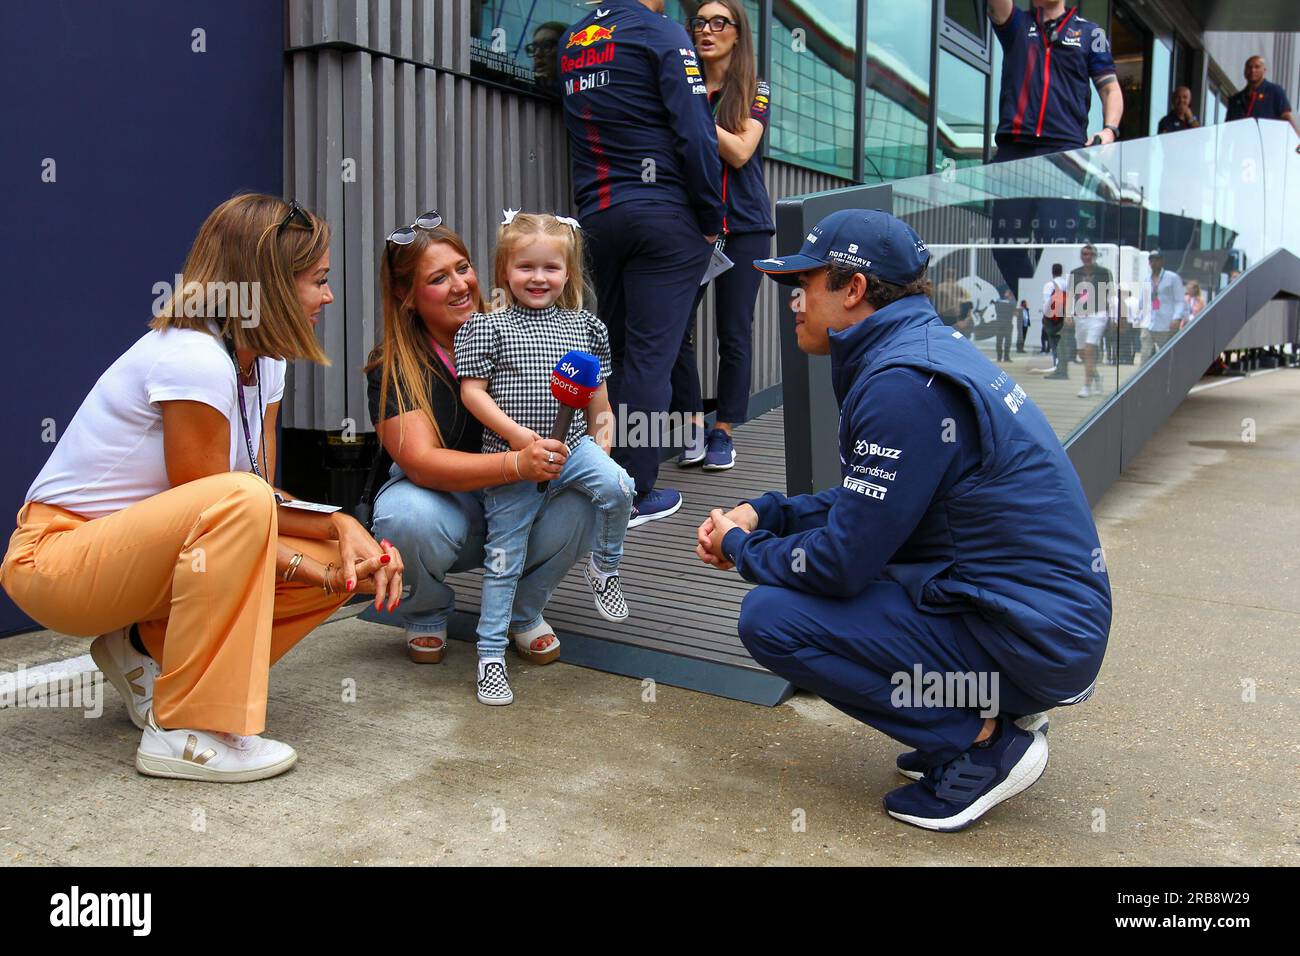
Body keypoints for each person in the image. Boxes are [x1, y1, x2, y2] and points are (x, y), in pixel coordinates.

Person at [696, 209, 1111, 832]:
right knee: (858, 576)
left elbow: (840, 564)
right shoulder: (921, 351)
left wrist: (742, 548)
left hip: (1032, 640)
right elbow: (879, 504)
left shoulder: (900, 383)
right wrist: (771, 512)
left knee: (773, 619)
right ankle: (979, 711)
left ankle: (980, 742)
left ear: (853, 289)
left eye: (803, 285)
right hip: (1038, 624)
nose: (794, 304)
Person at [0, 194, 404, 783]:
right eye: (318, 281)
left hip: (137, 562)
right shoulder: (193, 356)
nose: (329, 297)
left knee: (339, 563)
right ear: (268, 283)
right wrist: (302, 553)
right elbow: (224, 501)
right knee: (253, 511)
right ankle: (186, 728)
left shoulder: (266, 361)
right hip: (57, 558)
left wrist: (338, 529)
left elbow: (260, 495)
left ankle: (142, 651)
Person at [363, 215, 600, 692]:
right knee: (405, 515)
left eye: (463, 268)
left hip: (524, 498)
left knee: (592, 492)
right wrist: (515, 461)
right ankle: (426, 610)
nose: (460, 286)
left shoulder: (530, 327)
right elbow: (421, 463)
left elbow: (595, 404)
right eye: (438, 278)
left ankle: (522, 611)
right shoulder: (392, 365)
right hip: (453, 509)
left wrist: (599, 451)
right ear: (407, 297)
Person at [454, 212, 634, 705]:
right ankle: (490, 654)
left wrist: (601, 447)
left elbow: (598, 399)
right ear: (504, 271)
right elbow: (474, 394)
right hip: (512, 460)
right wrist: (519, 441)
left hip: (573, 449)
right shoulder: (486, 326)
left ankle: (605, 565)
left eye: (551, 268)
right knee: (503, 560)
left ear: (568, 273)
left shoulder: (587, 327)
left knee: (619, 487)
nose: (538, 278)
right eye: (525, 267)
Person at [561, 0, 725, 526]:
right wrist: (711, 214)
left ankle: (588, 471)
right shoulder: (662, 33)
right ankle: (632, 492)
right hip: (664, 217)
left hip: (597, 217)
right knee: (650, 358)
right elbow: (697, 132)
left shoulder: (572, 40)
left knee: (609, 351)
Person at [671, 0, 774, 473]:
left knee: (733, 333)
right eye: (700, 22)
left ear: (738, 34)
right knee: (675, 329)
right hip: (693, 227)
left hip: (746, 227)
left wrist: (693, 120)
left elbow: (738, 150)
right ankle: (692, 426)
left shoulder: (756, 90)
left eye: (719, 23)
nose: (706, 30)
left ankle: (724, 431)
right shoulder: (684, 86)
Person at [987, 0, 1122, 296]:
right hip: (1015, 149)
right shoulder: (1017, 24)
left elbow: (1110, 88)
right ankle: (1037, 308)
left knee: (1055, 246)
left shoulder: (1089, 33)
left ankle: (1047, 325)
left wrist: (1109, 130)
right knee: (1004, 246)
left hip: (1064, 152)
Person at [1067, 244, 1114, 397]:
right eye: (1084, 254)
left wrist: (1113, 316)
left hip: (1098, 314)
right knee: (1082, 353)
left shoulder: (1105, 273)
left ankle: (1086, 386)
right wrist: (1067, 314)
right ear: (1081, 256)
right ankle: (1097, 377)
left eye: (1090, 254)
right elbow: (1069, 295)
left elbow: (1111, 296)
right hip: (1080, 316)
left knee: (1089, 349)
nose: (1087, 256)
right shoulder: (1075, 273)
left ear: (1095, 256)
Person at [1226, 56, 1300, 143]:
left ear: (1264, 70)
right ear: (1244, 71)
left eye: (1257, 67)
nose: (1253, 70)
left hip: (1266, 147)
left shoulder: (1274, 91)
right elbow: (1228, 129)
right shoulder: (1235, 99)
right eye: (1249, 67)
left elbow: (1287, 117)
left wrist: (1298, 140)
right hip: (1241, 148)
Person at [1139, 250, 1186, 363]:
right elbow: (1143, 301)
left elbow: (1180, 300)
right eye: (1151, 260)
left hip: (1167, 324)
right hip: (1149, 323)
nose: (1154, 262)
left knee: (1166, 356)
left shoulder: (1173, 278)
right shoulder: (1146, 279)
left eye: (1156, 259)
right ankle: (1143, 378)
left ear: (1162, 261)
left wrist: (1177, 318)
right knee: (1145, 354)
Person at [1041, 263, 1068, 377]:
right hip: (1063, 317)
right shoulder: (1066, 284)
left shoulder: (1049, 285)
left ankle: (1057, 366)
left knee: (1053, 343)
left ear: (1052, 271)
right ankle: (1062, 366)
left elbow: (1047, 302)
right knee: (1061, 343)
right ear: (1061, 271)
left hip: (1052, 318)